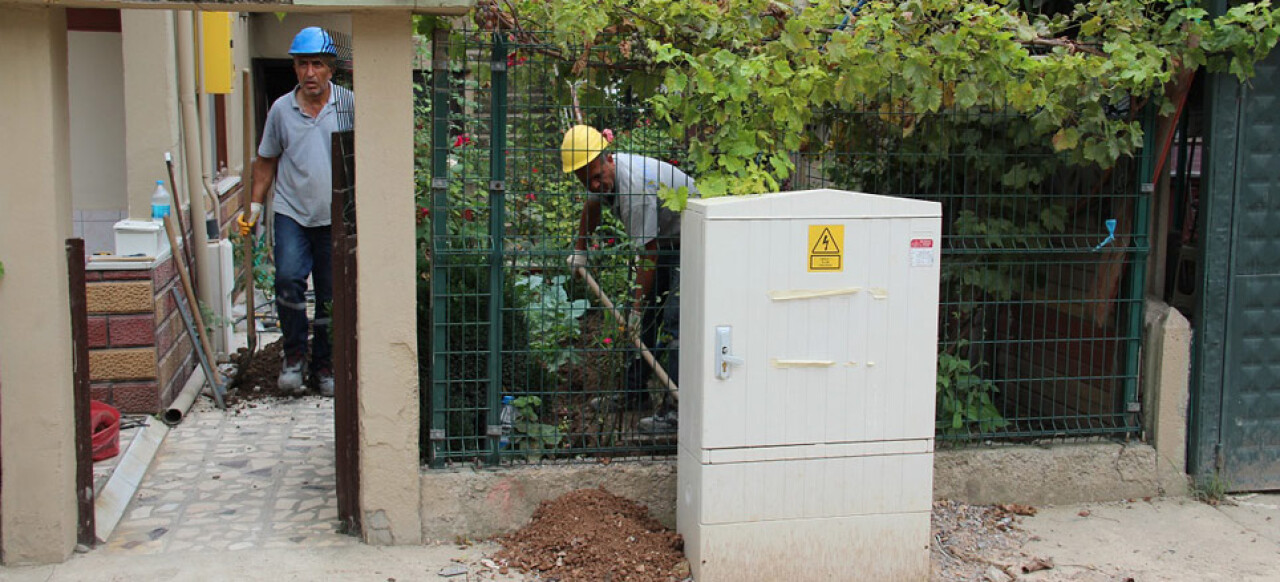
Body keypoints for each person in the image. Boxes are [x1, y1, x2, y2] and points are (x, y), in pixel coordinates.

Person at [238, 27, 354, 396]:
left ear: (330, 69)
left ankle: (324, 364)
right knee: (287, 278)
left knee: (330, 293)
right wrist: (254, 207)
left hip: (334, 216)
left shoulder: (349, 106)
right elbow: (266, 161)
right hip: (292, 213)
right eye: (302, 64)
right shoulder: (281, 111)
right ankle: (293, 357)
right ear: (294, 68)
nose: (309, 72)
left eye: (317, 64)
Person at [561, 124, 697, 433]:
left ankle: (676, 410)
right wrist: (580, 249)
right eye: (587, 181)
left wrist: (635, 310)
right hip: (665, 239)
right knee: (646, 316)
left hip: (692, 240)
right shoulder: (599, 176)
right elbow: (591, 205)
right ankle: (634, 393)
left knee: (677, 322)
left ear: (609, 159)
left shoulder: (634, 188)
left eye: (597, 177)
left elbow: (646, 255)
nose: (595, 185)